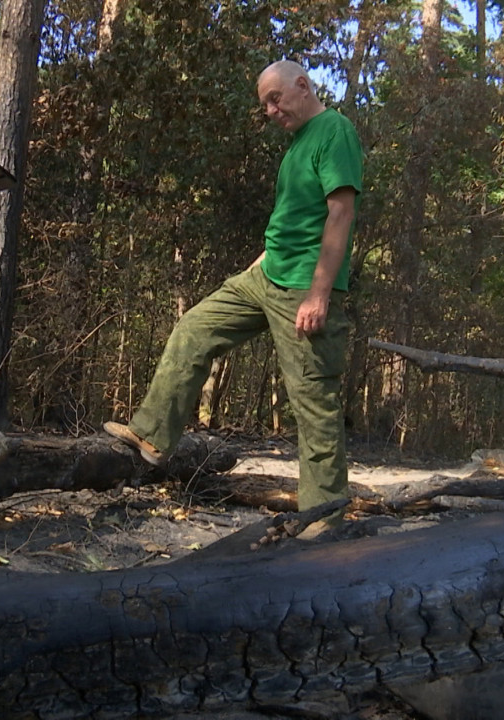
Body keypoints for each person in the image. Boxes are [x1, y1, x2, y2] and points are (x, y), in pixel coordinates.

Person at [104, 60, 363, 521]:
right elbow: (292, 221)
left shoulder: (334, 130)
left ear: (302, 86)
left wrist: (320, 293)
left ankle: (323, 521)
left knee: (313, 402)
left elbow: (339, 213)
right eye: (265, 103)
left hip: (304, 286)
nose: (268, 111)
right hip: (265, 276)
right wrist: (257, 267)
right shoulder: (298, 143)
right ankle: (152, 435)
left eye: (274, 99)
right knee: (195, 328)